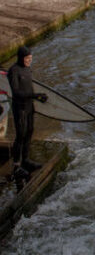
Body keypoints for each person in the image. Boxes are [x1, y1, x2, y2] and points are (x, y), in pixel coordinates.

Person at [7, 46, 47, 181]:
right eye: (27, 59)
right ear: (21, 57)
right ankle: (16, 166)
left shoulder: (28, 69)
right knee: (20, 135)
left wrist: (38, 98)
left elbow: (29, 87)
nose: (30, 61)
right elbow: (16, 93)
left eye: (31, 58)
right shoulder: (13, 71)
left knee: (29, 132)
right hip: (20, 108)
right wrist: (35, 95)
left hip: (30, 107)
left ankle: (25, 160)